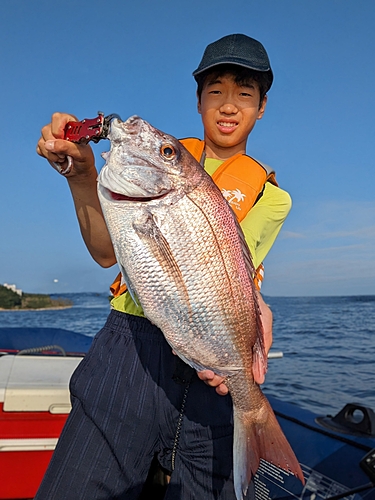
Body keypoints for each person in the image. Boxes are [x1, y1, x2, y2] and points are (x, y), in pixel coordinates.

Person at [35, 34, 291, 500]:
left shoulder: (273, 199)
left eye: (245, 93)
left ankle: (255, 426)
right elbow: (106, 253)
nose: (228, 105)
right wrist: (82, 175)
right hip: (129, 347)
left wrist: (253, 319)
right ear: (197, 103)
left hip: (209, 362)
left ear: (262, 107)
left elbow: (238, 270)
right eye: (215, 91)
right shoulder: (158, 162)